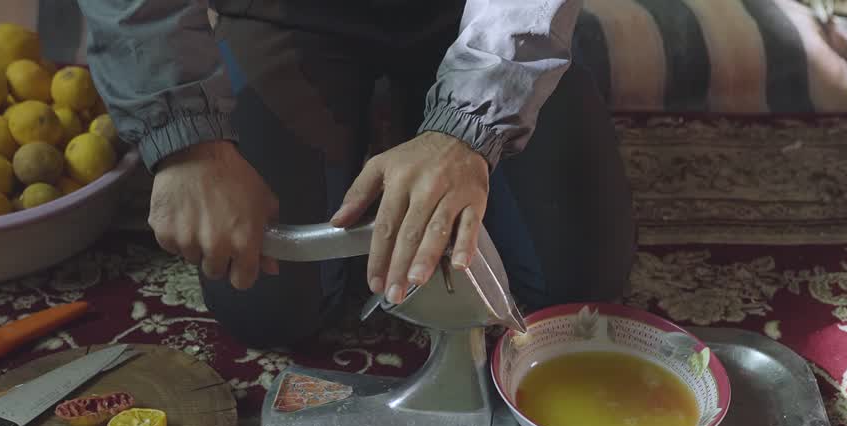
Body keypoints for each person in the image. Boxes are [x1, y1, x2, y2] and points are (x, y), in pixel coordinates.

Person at [77, 0, 635, 348]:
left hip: (472, 12)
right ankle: (381, 128)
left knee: (576, 284)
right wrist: (186, 136)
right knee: (264, 305)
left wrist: (465, 128)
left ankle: (424, 116)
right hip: (280, 12)